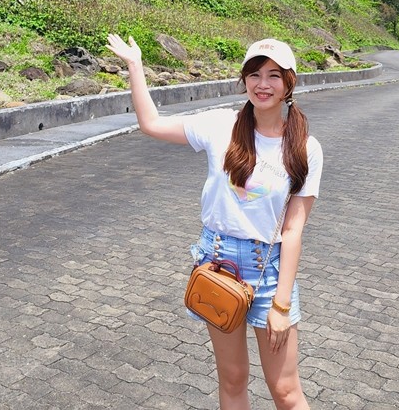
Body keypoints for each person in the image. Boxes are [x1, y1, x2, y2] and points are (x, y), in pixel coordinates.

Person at [106, 34, 322, 410]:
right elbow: (152, 124)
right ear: (244, 81)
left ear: (290, 82)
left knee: (285, 390)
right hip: (217, 264)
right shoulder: (221, 126)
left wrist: (282, 305)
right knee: (233, 378)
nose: (262, 84)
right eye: (254, 74)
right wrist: (135, 66)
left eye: (273, 75)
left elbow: (293, 229)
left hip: (268, 270)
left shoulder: (304, 147)